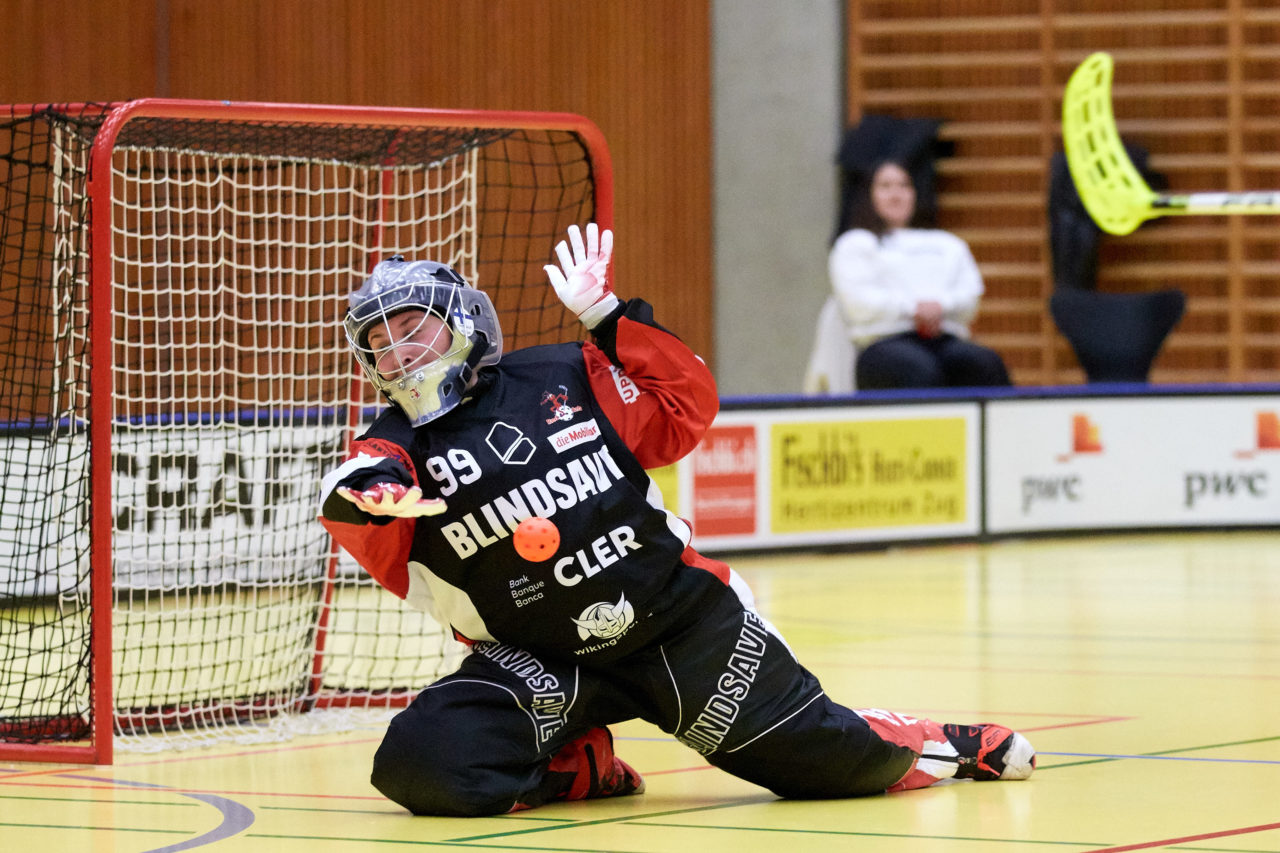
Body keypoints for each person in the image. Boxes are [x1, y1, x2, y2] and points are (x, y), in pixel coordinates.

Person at [318, 223, 1035, 817]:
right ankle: (578, 767)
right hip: (544, 661)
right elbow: (358, 486)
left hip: (682, 628)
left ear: (463, 323)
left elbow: (686, 406)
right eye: (379, 341)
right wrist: (370, 489)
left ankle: (949, 741)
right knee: (422, 765)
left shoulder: (566, 374)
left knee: (828, 763)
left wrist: (606, 316)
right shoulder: (394, 448)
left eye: (412, 329)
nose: (397, 351)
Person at [829, 160, 1012, 390]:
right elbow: (859, 304)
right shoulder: (854, 244)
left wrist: (940, 307)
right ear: (868, 194)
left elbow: (970, 295)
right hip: (884, 343)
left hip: (944, 339)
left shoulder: (946, 244)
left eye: (904, 185)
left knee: (985, 363)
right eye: (885, 186)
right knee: (918, 369)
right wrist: (913, 310)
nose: (896, 195)